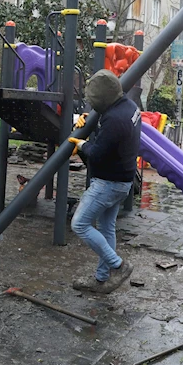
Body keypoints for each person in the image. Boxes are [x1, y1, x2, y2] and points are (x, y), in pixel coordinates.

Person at [67, 69, 141, 293]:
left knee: (79, 224)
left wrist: (80, 145)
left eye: (93, 101)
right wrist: (85, 116)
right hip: (123, 181)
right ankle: (101, 279)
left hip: (108, 183)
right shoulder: (128, 106)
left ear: (103, 99)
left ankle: (118, 266)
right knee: (107, 228)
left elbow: (97, 153)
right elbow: (104, 125)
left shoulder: (115, 120)